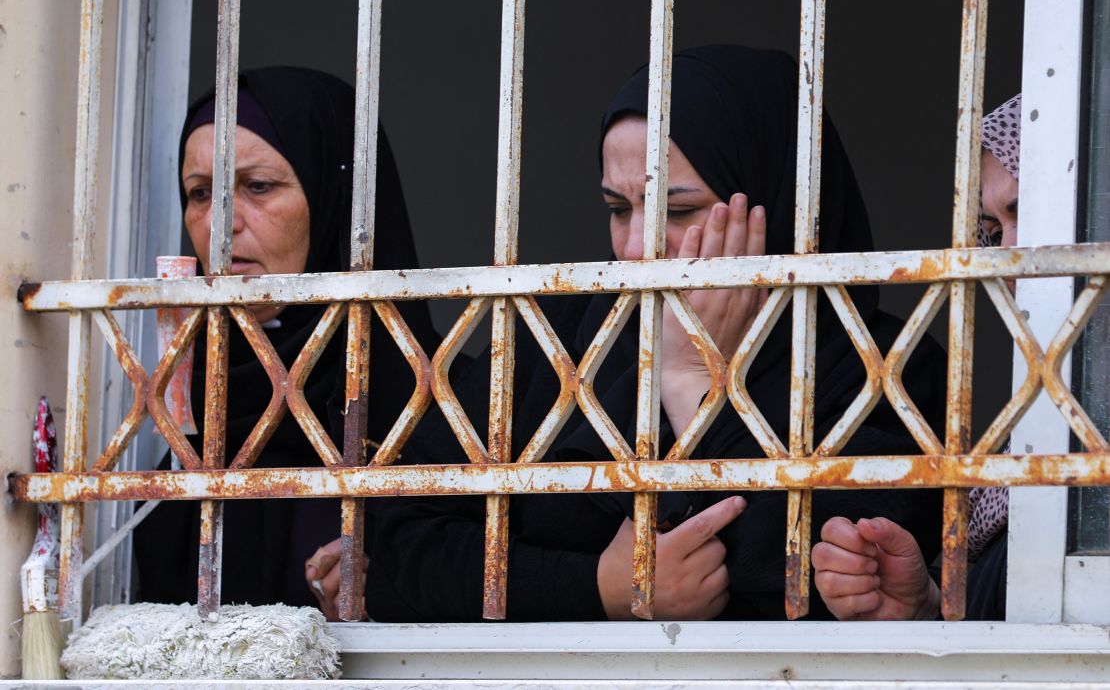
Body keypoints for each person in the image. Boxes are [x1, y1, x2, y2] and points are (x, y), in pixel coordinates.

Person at [313, 45, 947, 621]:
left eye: (679, 210)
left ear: (781, 207)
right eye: (619, 209)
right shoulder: (549, 337)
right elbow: (389, 544)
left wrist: (690, 383)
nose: (637, 247)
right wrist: (593, 585)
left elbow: (809, 578)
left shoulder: (884, 369)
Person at [133, 67, 444, 619]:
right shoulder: (189, 417)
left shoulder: (439, 415)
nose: (221, 224)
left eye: (258, 186)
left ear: (335, 198)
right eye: (200, 193)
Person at [811, 94, 1022, 621]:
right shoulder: (1041, 426)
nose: (1011, 256)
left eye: (1032, 210)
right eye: (992, 232)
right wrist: (928, 605)